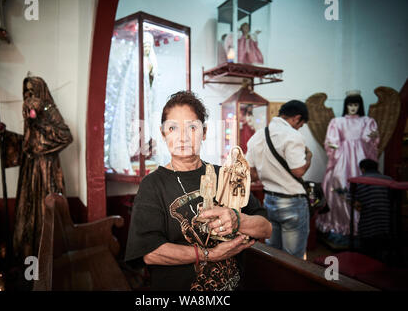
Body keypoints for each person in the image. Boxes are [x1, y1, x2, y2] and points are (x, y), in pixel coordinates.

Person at [125, 91, 272, 291]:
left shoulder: (225, 175)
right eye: (173, 128)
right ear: (163, 133)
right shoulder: (153, 185)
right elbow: (150, 253)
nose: (183, 137)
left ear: (204, 131)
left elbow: (266, 228)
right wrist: (210, 254)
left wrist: (238, 220)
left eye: (192, 127)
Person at [0, 76, 73, 263]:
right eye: (26, 93)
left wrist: (39, 120)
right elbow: (29, 143)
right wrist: (6, 137)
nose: (28, 97)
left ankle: (51, 257)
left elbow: (65, 136)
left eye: (32, 92)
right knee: (30, 212)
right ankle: (30, 259)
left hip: (47, 170)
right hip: (30, 171)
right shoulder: (29, 114)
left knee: (46, 210)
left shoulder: (48, 109)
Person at [246, 100, 312, 259]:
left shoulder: (258, 135)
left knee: (273, 253)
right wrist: (309, 156)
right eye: (300, 124)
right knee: (294, 258)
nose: (298, 127)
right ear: (296, 118)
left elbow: (251, 174)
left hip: (269, 200)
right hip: (292, 202)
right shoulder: (293, 135)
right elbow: (298, 171)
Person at [316, 91, 379, 247]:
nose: (353, 108)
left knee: (363, 190)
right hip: (342, 160)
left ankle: (360, 227)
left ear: (360, 105)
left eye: (356, 104)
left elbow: (372, 141)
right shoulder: (337, 122)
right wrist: (333, 146)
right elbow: (332, 142)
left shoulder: (367, 121)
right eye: (350, 104)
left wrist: (373, 136)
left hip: (361, 161)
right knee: (339, 188)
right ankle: (340, 225)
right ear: (346, 105)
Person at [350, 159, 392, 263]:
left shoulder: (359, 180)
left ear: (363, 169)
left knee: (367, 251)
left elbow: (354, 201)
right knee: (383, 250)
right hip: (387, 222)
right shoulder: (389, 179)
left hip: (369, 222)